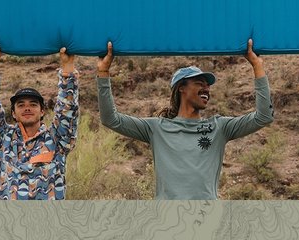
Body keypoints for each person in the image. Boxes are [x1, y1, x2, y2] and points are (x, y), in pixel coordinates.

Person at [96, 39, 273, 200]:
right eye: (199, 83)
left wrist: (257, 67)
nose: (206, 89)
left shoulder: (219, 127)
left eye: (208, 85)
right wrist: (103, 72)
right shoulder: (156, 128)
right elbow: (110, 119)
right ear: (181, 88)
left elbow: (263, 117)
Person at [0, 45, 79, 200]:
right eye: (21, 105)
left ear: (42, 111)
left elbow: (68, 108)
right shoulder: (1, 139)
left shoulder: (57, 140)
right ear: (13, 113)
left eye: (33, 104)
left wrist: (67, 67)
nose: (27, 108)